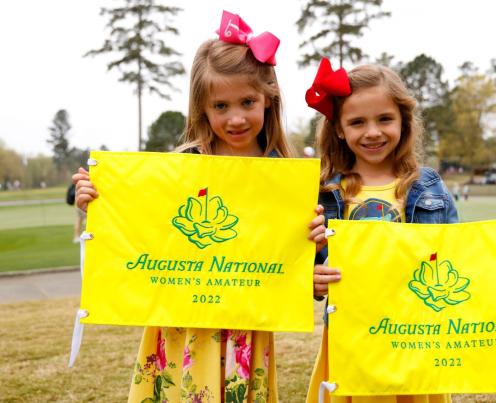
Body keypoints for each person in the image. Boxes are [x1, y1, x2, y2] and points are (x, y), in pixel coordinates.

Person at [73, 11, 323, 402]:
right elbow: (144, 228)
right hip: (180, 322)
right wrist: (100, 202)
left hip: (246, 326)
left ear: (268, 99)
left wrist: (310, 254)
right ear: (202, 108)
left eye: (247, 101)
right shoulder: (183, 166)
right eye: (220, 106)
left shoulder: (284, 176)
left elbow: (297, 268)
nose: (236, 117)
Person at [305, 60, 496, 403]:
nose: (372, 132)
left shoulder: (429, 187)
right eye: (357, 122)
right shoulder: (324, 193)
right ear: (338, 128)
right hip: (353, 344)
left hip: (418, 340)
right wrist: (312, 278)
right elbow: (307, 270)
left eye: (384, 119)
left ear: (403, 122)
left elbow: (464, 260)